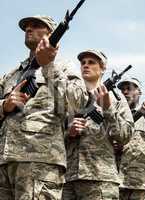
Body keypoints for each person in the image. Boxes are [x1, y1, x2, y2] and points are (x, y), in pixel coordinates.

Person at [0, 15, 89, 199]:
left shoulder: (64, 68)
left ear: (50, 33)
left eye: (36, 26)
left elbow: (77, 102)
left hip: (40, 161)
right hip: (4, 162)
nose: (28, 29)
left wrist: (48, 65)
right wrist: (5, 105)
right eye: (26, 27)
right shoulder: (11, 75)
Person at [62, 49, 134, 200]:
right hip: (68, 178)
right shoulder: (71, 96)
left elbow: (125, 135)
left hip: (100, 178)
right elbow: (54, 133)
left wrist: (107, 108)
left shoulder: (117, 99)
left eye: (91, 62)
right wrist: (69, 131)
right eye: (83, 63)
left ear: (102, 68)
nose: (85, 66)